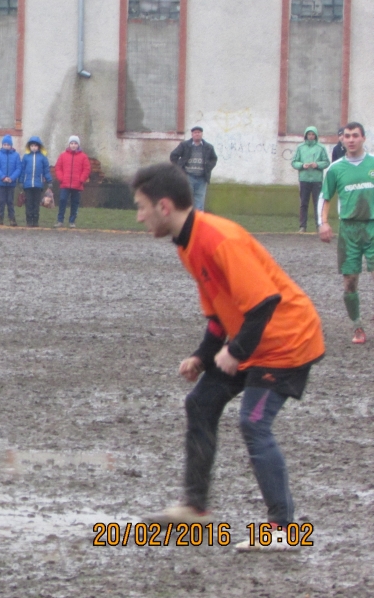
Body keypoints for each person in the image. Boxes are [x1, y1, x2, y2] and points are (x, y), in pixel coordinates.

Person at [134, 162, 325, 552]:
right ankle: (194, 509)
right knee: (200, 402)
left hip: (286, 341)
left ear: (164, 206)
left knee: (254, 423)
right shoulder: (187, 244)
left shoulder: (219, 238)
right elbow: (220, 317)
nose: (139, 216)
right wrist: (202, 356)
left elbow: (265, 303)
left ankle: (284, 530)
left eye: (141, 206)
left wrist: (235, 353)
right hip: (253, 340)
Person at [319, 122, 374, 344]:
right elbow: (325, 197)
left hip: (373, 226)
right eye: (347, 136)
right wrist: (323, 222)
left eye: (355, 135)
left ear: (363, 138)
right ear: (342, 140)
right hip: (349, 230)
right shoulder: (335, 168)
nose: (350, 139)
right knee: (350, 281)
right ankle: (357, 326)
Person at [290, 126, 329, 233]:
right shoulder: (300, 148)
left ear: (315, 136)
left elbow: (326, 162)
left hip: (317, 180)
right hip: (304, 179)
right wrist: (302, 165)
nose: (311, 136)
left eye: (313, 134)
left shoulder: (321, 148)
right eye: (309, 134)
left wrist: (317, 164)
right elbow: (294, 162)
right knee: (303, 203)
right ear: (306, 135)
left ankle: (318, 226)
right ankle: (302, 226)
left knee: (317, 203)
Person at [170, 126, 218, 211]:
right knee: (187, 199)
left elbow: (213, 159)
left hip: (202, 178)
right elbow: (173, 155)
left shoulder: (208, 147)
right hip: (188, 176)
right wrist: (179, 168)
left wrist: (208, 168)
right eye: (195, 132)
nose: (197, 134)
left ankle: (198, 221)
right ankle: (187, 219)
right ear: (192, 134)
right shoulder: (184, 145)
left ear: (202, 134)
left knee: (199, 201)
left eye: (199, 132)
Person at [53, 135, 91, 228]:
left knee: (75, 203)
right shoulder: (63, 155)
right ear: (69, 144)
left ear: (78, 145)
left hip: (77, 184)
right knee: (62, 201)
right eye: (72, 143)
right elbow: (58, 168)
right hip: (65, 184)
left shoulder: (83, 157)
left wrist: (81, 179)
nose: (73, 145)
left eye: (75, 143)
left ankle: (72, 221)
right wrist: (61, 178)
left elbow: (86, 169)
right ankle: (60, 220)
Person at [20, 136, 51, 228]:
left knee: (36, 203)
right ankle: (29, 220)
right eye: (32, 146)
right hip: (28, 184)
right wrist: (21, 181)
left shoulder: (43, 158)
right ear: (29, 147)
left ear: (39, 147)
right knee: (29, 203)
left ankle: (35, 220)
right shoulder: (26, 157)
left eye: (35, 146)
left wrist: (49, 180)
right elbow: (22, 170)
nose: (34, 147)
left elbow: (46, 170)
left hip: (38, 184)